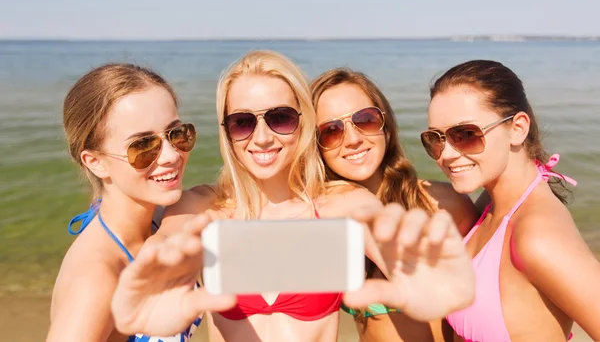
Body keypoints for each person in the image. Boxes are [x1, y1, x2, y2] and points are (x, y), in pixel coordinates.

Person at [109, 50, 477, 342]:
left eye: (280, 117)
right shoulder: (201, 208)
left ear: (303, 123)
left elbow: (385, 241)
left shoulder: (340, 204)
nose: (263, 137)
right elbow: (163, 249)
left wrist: (421, 276)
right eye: (243, 122)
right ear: (226, 131)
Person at [421, 60, 600, 342]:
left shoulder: (537, 237)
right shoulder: (490, 204)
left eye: (466, 134)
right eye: (436, 138)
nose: (447, 154)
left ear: (517, 128)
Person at [311, 68, 482, 342]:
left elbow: (489, 303)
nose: (353, 139)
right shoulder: (326, 217)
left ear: (385, 124)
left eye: (365, 120)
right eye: (331, 131)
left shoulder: (443, 204)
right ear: (315, 145)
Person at [46, 63, 206, 342]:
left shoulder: (160, 217)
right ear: (96, 162)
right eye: (143, 146)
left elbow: (219, 194)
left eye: (176, 134)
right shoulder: (96, 277)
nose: (170, 155)